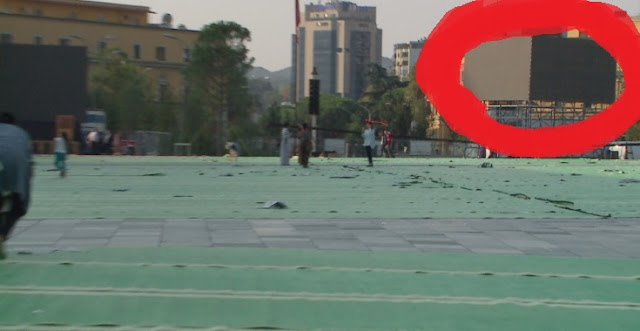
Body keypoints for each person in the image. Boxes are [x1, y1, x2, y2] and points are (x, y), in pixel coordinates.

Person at [0, 112, 33, 259]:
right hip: (15, 169)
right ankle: (2, 234)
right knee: (19, 204)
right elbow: (29, 164)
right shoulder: (21, 134)